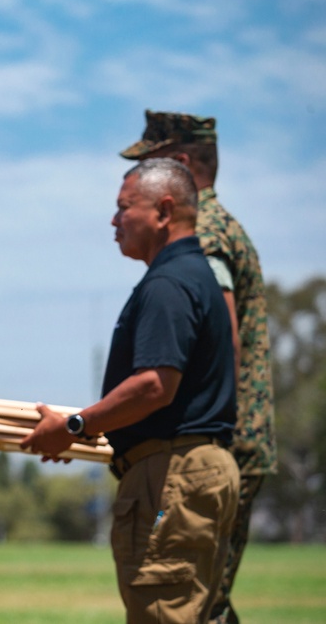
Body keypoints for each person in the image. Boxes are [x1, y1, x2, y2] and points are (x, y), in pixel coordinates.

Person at [21, 158, 240, 623]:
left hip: (171, 479)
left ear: (163, 211)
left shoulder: (169, 283)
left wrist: (75, 426)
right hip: (197, 470)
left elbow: (155, 386)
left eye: (124, 207)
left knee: (163, 614)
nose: (114, 219)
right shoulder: (199, 275)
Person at [119, 111, 276, 624]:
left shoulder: (203, 231)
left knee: (186, 605)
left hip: (206, 443)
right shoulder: (223, 224)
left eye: (148, 166)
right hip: (226, 440)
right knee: (205, 602)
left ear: (180, 166)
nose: (134, 182)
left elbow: (217, 337)